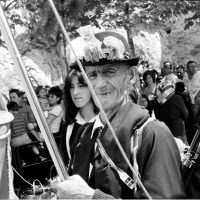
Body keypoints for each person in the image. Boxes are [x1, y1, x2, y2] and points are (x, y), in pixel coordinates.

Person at [52, 26, 185, 199]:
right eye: (92, 75)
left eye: (109, 72)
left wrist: (91, 197)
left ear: (131, 75)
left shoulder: (152, 134)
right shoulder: (83, 134)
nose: (99, 84)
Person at [60, 69, 98, 169]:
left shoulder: (105, 122)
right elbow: (66, 163)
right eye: (72, 87)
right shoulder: (69, 127)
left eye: (81, 85)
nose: (75, 92)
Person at [153, 77, 189, 144]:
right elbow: (186, 114)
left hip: (164, 131)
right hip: (178, 131)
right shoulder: (177, 98)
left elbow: (157, 116)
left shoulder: (156, 100)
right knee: (181, 151)